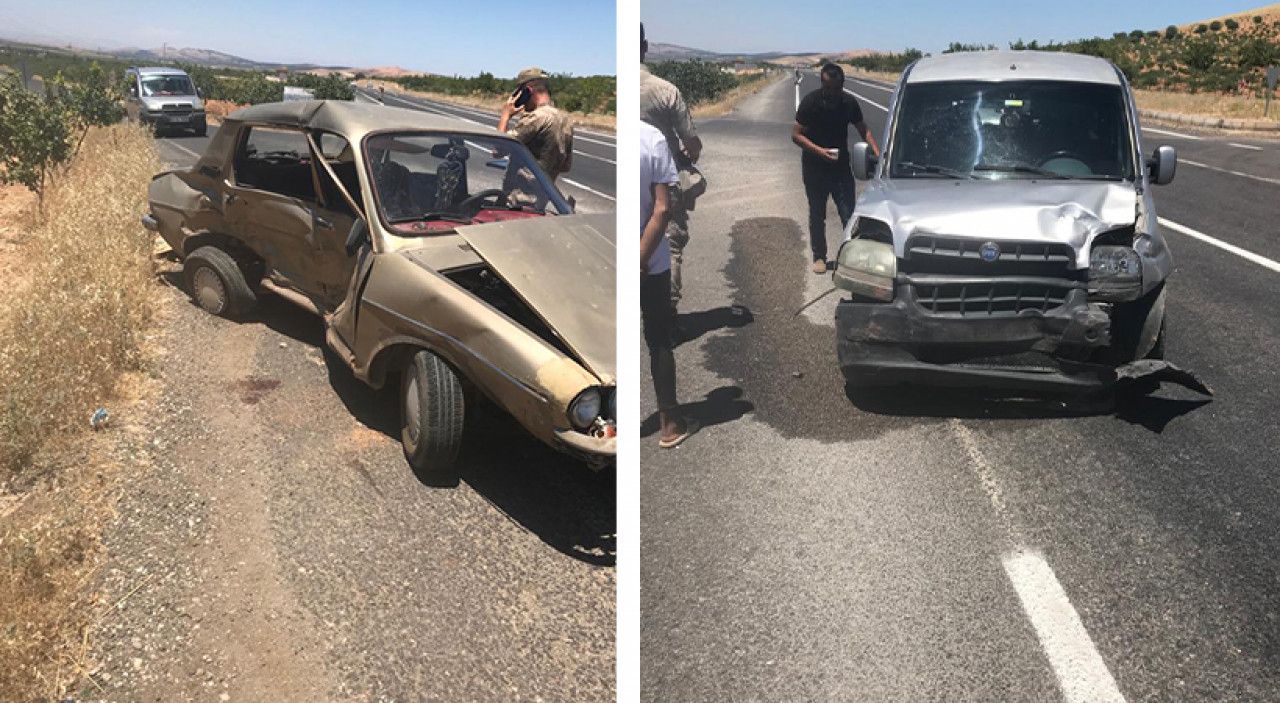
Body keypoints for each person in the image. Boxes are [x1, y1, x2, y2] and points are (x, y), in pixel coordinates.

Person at [792, 63, 880, 274]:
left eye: (836, 88)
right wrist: (820, 151)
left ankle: (853, 256)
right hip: (814, 167)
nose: (832, 93)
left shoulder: (849, 103)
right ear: (822, 84)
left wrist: (878, 156)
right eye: (827, 88)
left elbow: (864, 130)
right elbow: (796, 135)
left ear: (843, 85)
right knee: (817, 214)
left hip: (840, 168)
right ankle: (819, 257)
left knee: (849, 214)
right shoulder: (811, 102)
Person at [641, 23, 702, 317]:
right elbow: (691, 142)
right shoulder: (666, 91)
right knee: (669, 243)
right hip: (662, 179)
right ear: (645, 46)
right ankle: (666, 314)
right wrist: (690, 153)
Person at [640, 120, 694, 448]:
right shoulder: (651, 138)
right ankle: (669, 423)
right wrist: (640, 258)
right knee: (658, 339)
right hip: (652, 261)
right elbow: (662, 208)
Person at [498, 67, 574, 183]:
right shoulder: (566, 119)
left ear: (527, 91)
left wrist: (505, 115)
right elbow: (565, 166)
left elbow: (498, 150)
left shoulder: (536, 118)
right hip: (546, 190)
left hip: (520, 191)